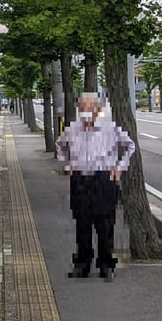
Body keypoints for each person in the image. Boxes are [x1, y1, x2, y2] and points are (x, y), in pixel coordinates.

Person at [55, 93, 135, 281]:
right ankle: (82, 265)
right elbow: (60, 146)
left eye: (90, 107)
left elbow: (129, 146)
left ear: (98, 109)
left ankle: (106, 265)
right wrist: (67, 165)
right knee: (82, 224)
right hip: (80, 179)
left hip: (103, 178)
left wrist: (119, 167)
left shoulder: (109, 128)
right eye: (82, 106)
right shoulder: (72, 129)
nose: (85, 110)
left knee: (105, 224)